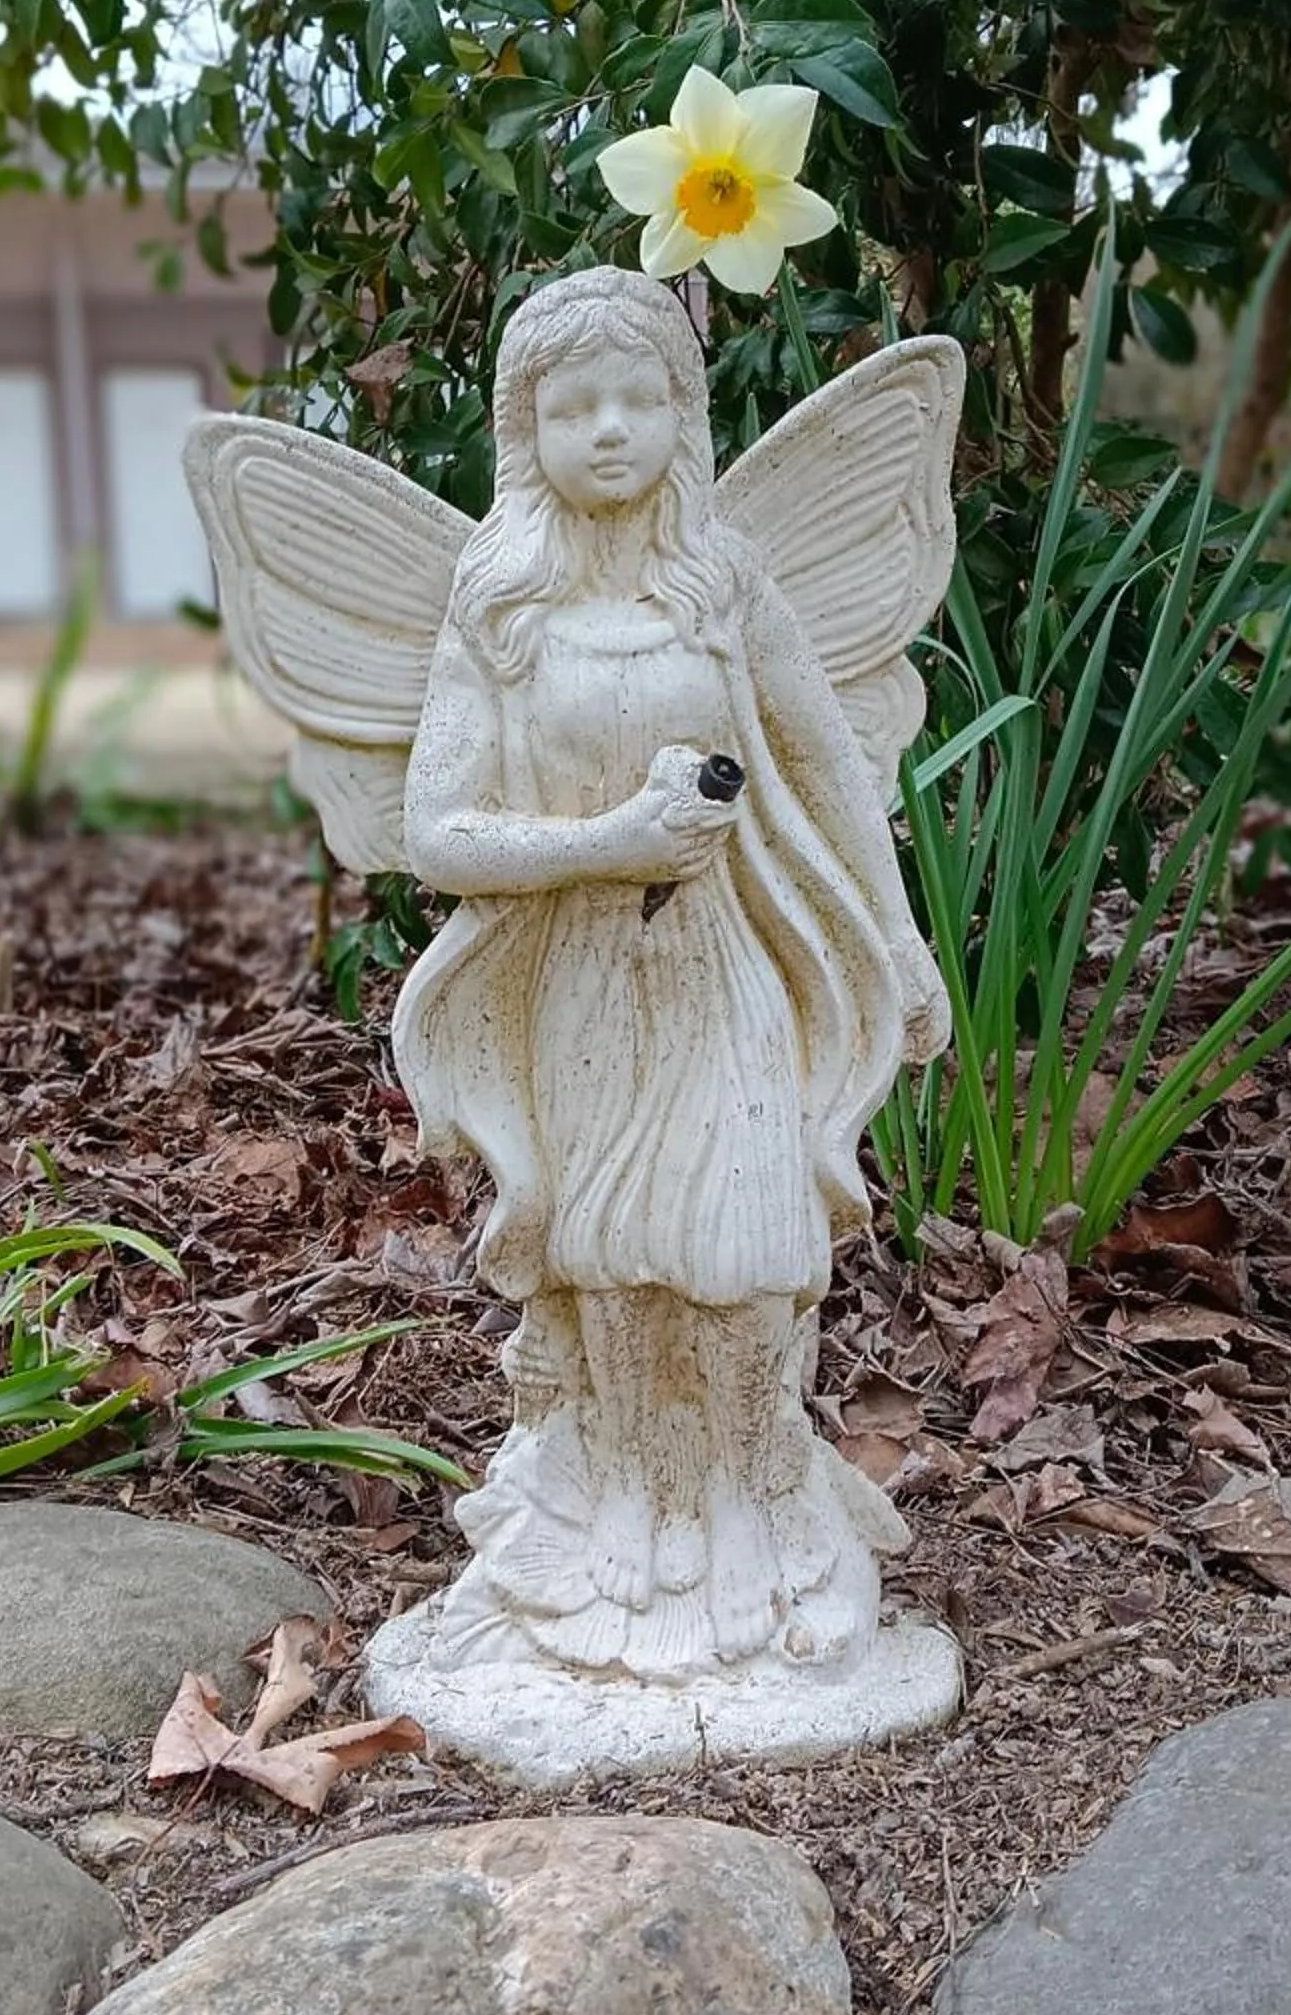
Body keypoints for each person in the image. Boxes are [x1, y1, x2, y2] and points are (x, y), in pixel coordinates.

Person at [393, 267, 947, 1680]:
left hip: (724, 963)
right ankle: (632, 1510)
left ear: (683, 417)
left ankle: (760, 1497)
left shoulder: (723, 581)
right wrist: (606, 840)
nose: (609, 431)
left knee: (753, 1250)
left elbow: (821, 757)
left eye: (640, 398)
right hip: (581, 979)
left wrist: (891, 937)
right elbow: (435, 831)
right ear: (525, 430)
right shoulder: (498, 608)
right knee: (615, 1262)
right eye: (572, 406)